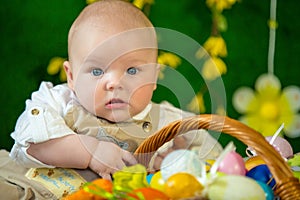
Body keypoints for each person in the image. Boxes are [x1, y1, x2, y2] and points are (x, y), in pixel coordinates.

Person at [0, 0, 222, 199]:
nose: (115, 83)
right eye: (97, 71)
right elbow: (31, 138)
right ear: (72, 76)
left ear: (154, 77)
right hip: (29, 185)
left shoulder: (171, 125)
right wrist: (90, 152)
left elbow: (219, 167)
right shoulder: (58, 101)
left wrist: (182, 164)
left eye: (132, 70)